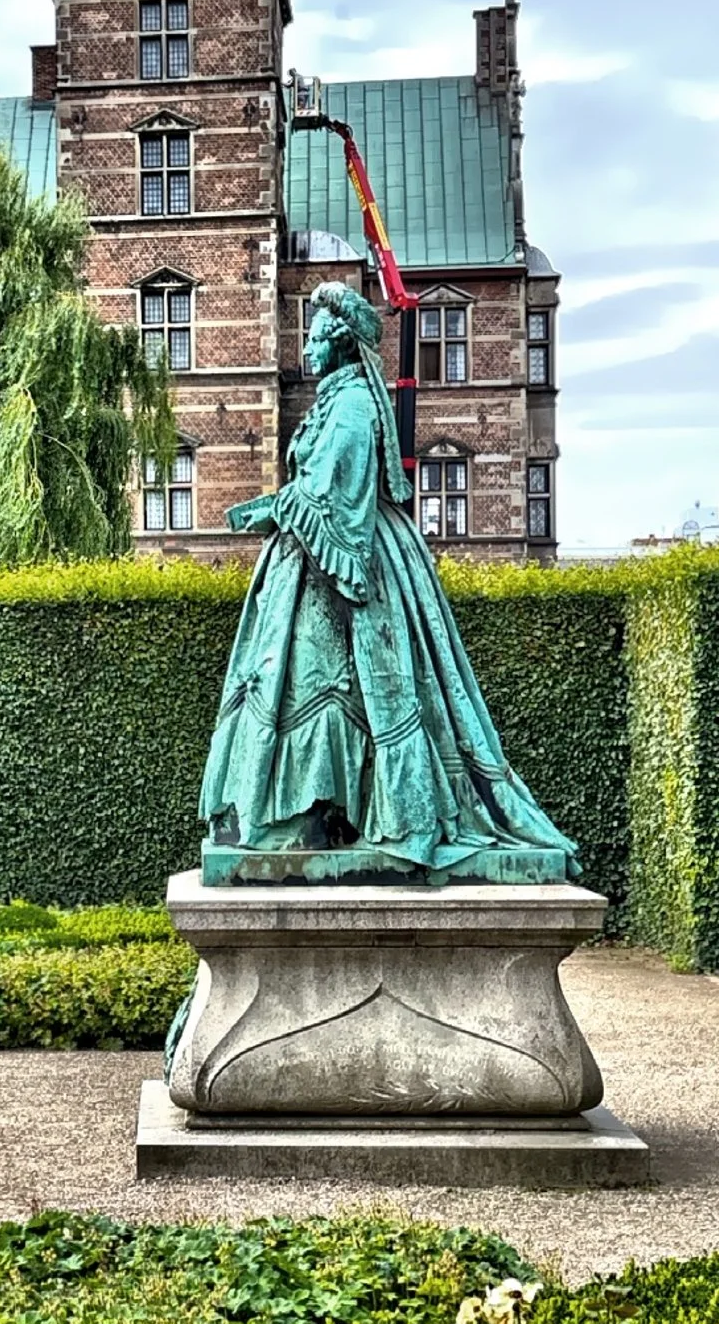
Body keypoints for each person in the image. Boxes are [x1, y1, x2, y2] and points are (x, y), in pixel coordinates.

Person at [199, 280, 580, 884]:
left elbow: (332, 492)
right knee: (305, 683)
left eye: (319, 338)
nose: (309, 349)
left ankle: (321, 815)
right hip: (312, 567)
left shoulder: (350, 405)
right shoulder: (334, 398)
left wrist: (267, 508)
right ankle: (309, 815)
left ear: (344, 345)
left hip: (347, 567)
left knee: (325, 684)